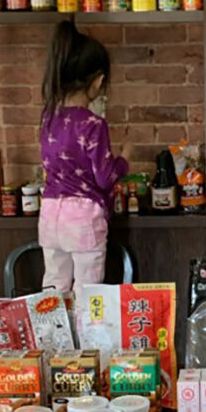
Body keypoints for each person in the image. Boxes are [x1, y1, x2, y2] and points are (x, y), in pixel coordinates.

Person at [39, 21, 128, 293]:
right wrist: (124, 160)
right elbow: (104, 177)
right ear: (98, 80)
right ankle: (85, 336)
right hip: (83, 219)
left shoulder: (48, 117)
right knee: (88, 292)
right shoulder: (93, 124)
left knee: (54, 286)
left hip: (50, 213)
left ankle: (51, 334)